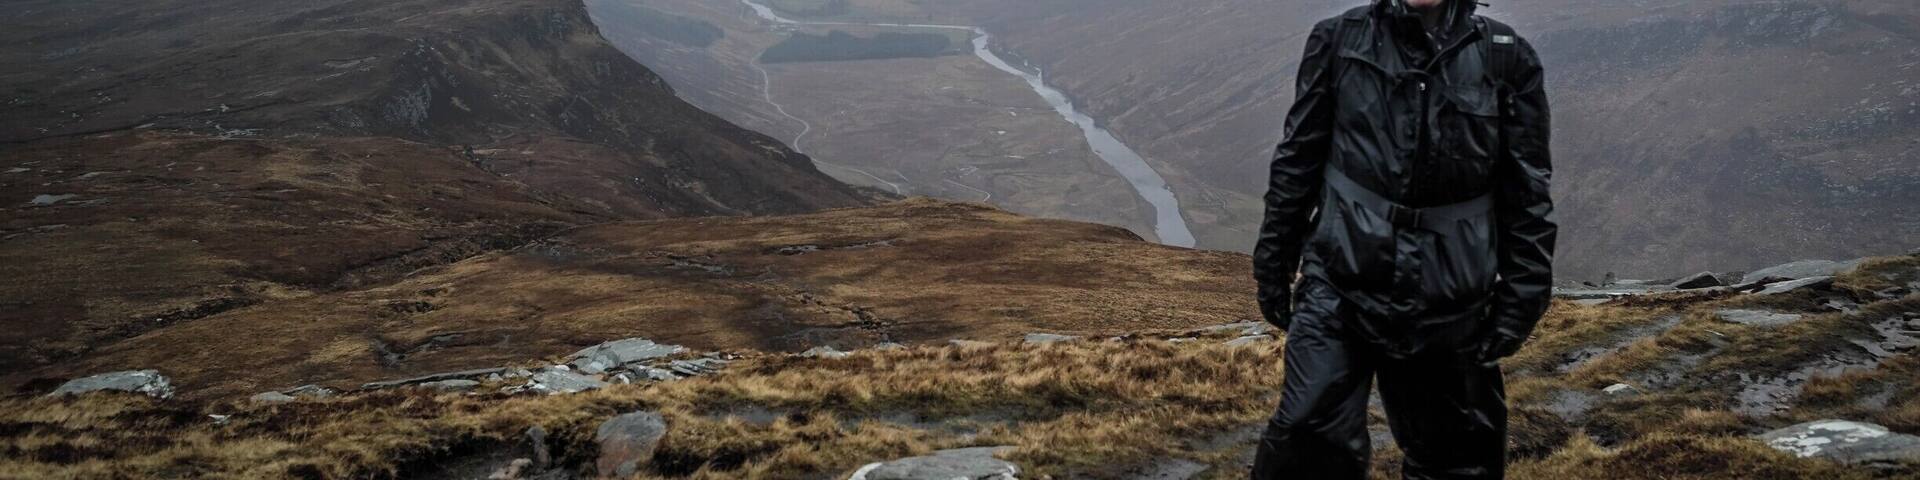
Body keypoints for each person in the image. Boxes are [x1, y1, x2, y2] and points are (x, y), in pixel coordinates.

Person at [1249, 0, 1554, 478]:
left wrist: (1523, 297)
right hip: (1340, 282)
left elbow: (1527, 190)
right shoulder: (1339, 40)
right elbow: (1297, 159)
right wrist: (1273, 262)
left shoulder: (1507, 58)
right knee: (1308, 441)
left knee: (1458, 459)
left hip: (1450, 299)